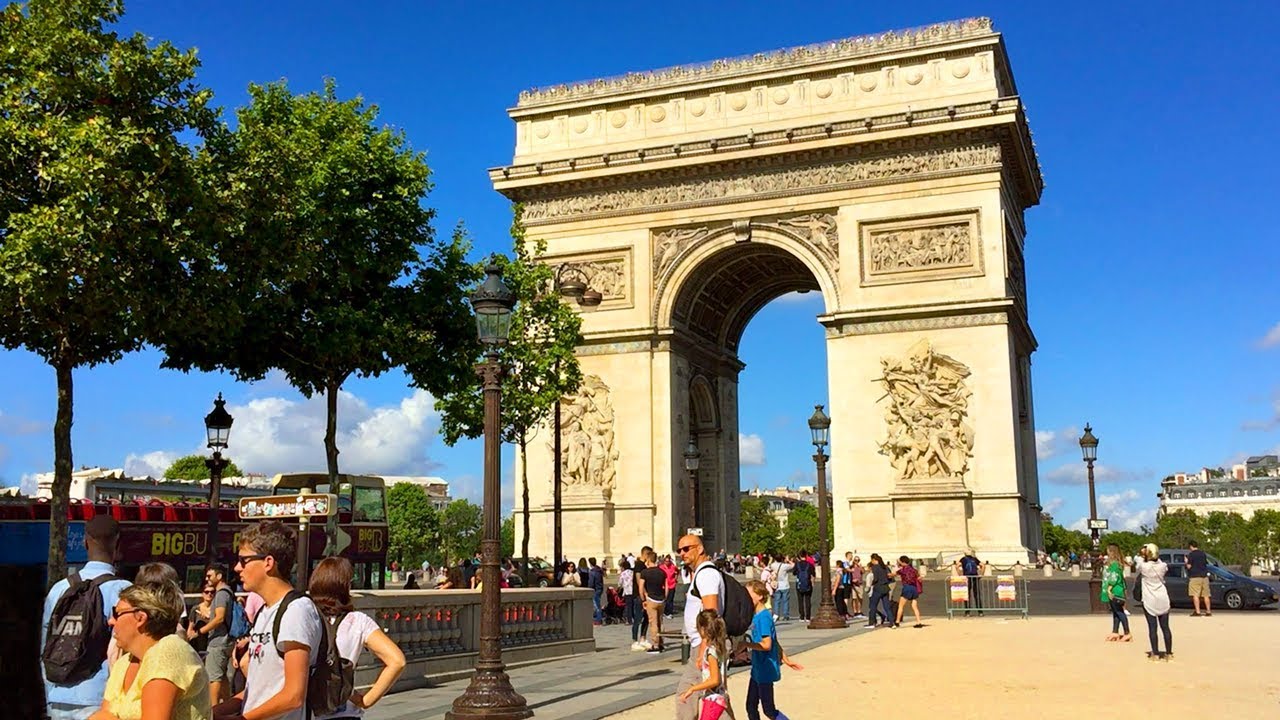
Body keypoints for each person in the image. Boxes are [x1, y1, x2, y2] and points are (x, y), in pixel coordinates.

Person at [214, 520, 323, 720]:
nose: (237, 568)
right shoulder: (265, 612)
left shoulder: (296, 611)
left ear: (268, 563)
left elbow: (294, 695)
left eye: (244, 560)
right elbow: (258, 691)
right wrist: (213, 713)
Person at [43, 515, 133, 720]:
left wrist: (51, 692)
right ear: (118, 545)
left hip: (58, 696)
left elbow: (45, 647)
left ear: (85, 543)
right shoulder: (124, 591)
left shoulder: (59, 589)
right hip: (100, 700)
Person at [91, 581, 210, 720]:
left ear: (140, 617)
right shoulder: (123, 663)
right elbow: (104, 714)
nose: (111, 621)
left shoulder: (169, 651)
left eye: (117, 613)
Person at [309, 557, 406, 719]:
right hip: (344, 712)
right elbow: (397, 661)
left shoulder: (304, 616)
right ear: (344, 586)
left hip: (305, 711)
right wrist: (365, 700)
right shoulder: (358, 621)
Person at [740, 580, 802, 720]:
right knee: (751, 705)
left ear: (760, 596)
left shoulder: (763, 617)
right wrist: (785, 659)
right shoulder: (758, 616)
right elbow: (775, 641)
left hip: (765, 669)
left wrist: (746, 645)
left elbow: (767, 644)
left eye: (749, 594)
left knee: (769, 710)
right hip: (758, 667)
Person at [675, 534, 722, 720]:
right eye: (679, 550)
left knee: (685, 696)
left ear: (700, 549)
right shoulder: (704, 573)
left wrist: (704, 647)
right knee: (716, 698)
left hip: (705, 643)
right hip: (705, 642)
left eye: (686, 549)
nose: (681, 553)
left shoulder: (706, 574)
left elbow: (711, 611)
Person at [195, 564, 236, 705]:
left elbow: (219, 618)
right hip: (225, 640)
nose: (207, 579)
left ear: (219, 576)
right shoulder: (227, 592)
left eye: (209, 576)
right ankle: (227, 706)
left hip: (218, 641)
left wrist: (201, 631)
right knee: (222, 677)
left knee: (214, 678)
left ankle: (213, 710)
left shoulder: (221, 594)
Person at [676, 610, 730, 717]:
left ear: (702, 629)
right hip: (719, 698)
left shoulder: (711, 652)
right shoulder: (720, 649)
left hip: (713, 699)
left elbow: (715, 680)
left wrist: (693, 688)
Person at [1136, 543, 1173, 660]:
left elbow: (1137, 560)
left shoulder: (1144, 567)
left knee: (1152, 628)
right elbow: (1160, 562)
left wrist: (1143, 553)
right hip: (1162, 597)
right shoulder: (1163, 566)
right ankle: (1169, 653)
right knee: (1165, 627)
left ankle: (1155, 653)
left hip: (1149, 599)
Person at [1101, 544, 1131, 643]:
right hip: (1116, 589)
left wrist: (1109, 589)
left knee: (1119, 612)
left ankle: (1127, 633)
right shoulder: (1117, 563)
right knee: (1116, 612)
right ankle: (1115, 631)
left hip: (1115, 590)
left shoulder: (1114, 564)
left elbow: (1114, 578)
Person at [639, 549, 667, 653]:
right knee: (660, 622)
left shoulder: (645, 572)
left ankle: (655, 645)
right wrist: (665, 597)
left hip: (651, 599)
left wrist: (643, 599)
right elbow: (667, 586)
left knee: (653, 623)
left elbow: (641, 587)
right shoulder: (662, 572)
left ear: (649, 559)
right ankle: (661, 643)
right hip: (661, 599)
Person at [892, 556, 924, 628]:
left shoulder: (902, 570)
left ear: (903, 562)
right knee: (914, 606)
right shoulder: (914, 570)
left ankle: (897, 621)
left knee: (901, 606)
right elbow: (918, 577)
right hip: (914, 588)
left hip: (907, 587)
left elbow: (893, 574)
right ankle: (918, 621)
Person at [619, 560, 644, 650]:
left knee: (628, 606)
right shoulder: (632, 572)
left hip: (626, 592)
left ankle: (629, 620)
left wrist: (619, 588)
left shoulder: (623, 573)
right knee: (634, 606)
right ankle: (634, 618)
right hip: (633, 591)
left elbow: (620, 583)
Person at [955, 549, 986, 616]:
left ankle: (967, 612)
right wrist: (981, 574)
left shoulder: (963, 559)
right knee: (977, 595)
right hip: (975, 577)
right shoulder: (974, 559)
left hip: (967, 578)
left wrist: (960, 574)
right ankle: (980, 612)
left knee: (967, 595)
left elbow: (957, 566)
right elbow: (983, 565)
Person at [865, 554, 893, 628]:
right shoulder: (885, 567)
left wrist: (872, 583)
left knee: (873, 606)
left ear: (874, 560)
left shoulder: (875, 567)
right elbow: (889, 577)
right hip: (885, 587)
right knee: (887, 607)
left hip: (878, 588)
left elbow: (876, 578)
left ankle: (872, 623)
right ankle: (892, 622)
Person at [1185, 540, 1212, 617]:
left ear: (1191, 546)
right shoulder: (1203, 554)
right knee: (1206, 595)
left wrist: (1186, 561)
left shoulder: (1191, 555)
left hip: (1195, 576)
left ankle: (1198, 611)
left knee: (1195, 594)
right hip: (1204, 576)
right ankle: (1208, 611)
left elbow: (1189, 566)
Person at [768, 555, 793, 622]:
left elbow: (768, 566)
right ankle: (786, 615)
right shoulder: (785, 566)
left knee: (776, 601)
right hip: (785, 585)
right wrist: (788, 560)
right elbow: (793, 565)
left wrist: (770, 560)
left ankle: (776, 615)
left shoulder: (773, 565)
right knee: (785, 601)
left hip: (776, 585)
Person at [793, 551, 814, 621]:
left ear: (799, 556)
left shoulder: (797, 564)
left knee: (800, 600)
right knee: (808, 600)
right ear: (806, 555)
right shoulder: (810, 565)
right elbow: (813, 574)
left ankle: (802, 616)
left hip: (799, 583)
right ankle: (808, 617)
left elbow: (794, 573)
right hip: (808, 583)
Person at [588, 558, 606, 625]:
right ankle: (598, 618)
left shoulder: (592, 572)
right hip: (599, 589)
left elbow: (591, 583)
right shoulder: (599, 570)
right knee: (598, 604)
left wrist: (589, 588)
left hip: (595, 589)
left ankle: (598, 619)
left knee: (596, 605)